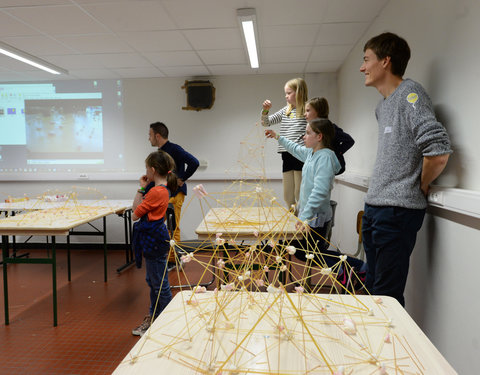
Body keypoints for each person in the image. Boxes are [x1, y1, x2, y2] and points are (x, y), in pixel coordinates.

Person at [359, 32, 452, 306]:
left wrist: (421, 185)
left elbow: (438, 151)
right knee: (372, 289)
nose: (362, 67)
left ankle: (387, 348)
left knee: (386, 297)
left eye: (366, 60)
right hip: (375, 207)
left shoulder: (411, 94)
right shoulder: (382, 106)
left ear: (385, 61)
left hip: (397, 212)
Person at [265, 119, 365, 283]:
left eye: (308, 133)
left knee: (310, 253)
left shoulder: (325, 157)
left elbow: (320, 191)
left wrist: (305, 217)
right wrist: (278, 137)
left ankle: (354, 267)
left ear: (319, 137)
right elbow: (295, 149)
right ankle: (349, 268)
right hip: (309, 215)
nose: (304, 136)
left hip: (316, 217)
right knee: (307, 252)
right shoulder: (312, 153)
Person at [131, 150, 178, 336]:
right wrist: (143, 187)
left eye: (146, 169)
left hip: (154, 242)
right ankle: (156, 317)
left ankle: (166, 322)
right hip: (156, 241)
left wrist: (140, 189)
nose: (145, 172)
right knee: (154, 281)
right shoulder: (160, 189)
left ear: (152, 169)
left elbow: (134, 214)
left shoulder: (156, 192)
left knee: (159, 284)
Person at [147, 122, 199, 251]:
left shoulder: (174, 149)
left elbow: (194, 162)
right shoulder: (160, 152)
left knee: (173, 227)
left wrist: (182, 178)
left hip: (175, 194)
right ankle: (167, 256)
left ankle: (174, 259)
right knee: (160, 225)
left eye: (150, 135)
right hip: (165, 194)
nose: (148, 138)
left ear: (157, 136)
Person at [261, 77, 308, 209]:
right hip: (286, 154)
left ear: (298, 92)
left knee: (300, 191)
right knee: (288, 193)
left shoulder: (306, 110)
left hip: (300, 154)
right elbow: (266, 122)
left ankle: (302, 220)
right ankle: (291, 217)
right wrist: (265, 110)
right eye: (285, 93)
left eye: (289, 93)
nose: (286, 96)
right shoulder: (285, 111)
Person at [304, 97, 355, 175]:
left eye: (308, 110)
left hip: (331, 165)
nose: (305, 114)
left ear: (318, 111)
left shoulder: (331, 128)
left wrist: (337, 152)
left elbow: (349, 140)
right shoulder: (313, 129)